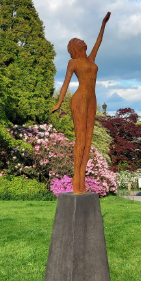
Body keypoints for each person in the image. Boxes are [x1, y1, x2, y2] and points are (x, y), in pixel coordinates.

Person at [51, 12, 111, 194]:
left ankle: (82, 180)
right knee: (80, 140)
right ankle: (76, 181)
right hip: (79, 101)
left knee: (89, 140)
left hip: (92, 100)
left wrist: (103, 24)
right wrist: (59, 103)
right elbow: (65, 84)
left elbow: (99, 41)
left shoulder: (91, 59)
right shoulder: (73, 62)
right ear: (75, 47)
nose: (81, 41)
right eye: (77, 41)